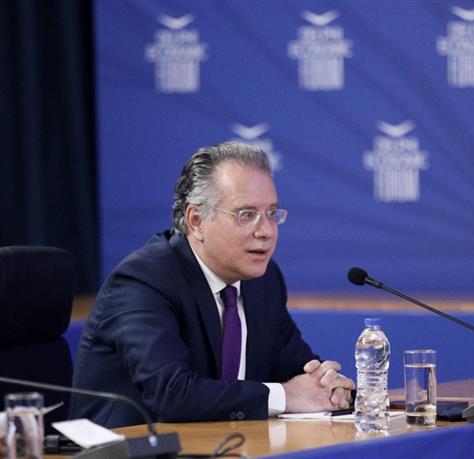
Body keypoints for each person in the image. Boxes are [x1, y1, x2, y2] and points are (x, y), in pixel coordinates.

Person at [70, 141, 354, 427]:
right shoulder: (144, 280)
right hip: (126, 445)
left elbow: (299, 370)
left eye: (271, 213)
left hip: (224, 444)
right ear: (196, 221)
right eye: (246, 215)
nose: (266, 231)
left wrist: (328, 387)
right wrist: (287, 396)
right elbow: (173, 394)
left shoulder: (264, 281)